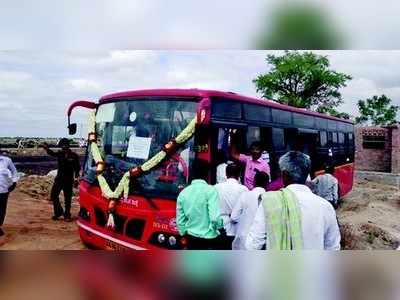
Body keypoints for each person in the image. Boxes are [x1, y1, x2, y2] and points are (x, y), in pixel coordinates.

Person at [246, 151, 341, 250]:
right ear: (306, 174)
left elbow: (252, 245)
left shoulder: (269, 202)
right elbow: (333, 247)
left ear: (284, 174)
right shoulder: (325, 207)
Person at [176, 160, 223, 250]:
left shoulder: (183, 193)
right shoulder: (211, 191)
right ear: (207, 174)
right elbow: (214, 219)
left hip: (191, 238)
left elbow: (180, 222)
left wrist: (184, 234)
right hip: (208, 239)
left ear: (192, 174)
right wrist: (219, 226)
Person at [42, 138, 80, 222]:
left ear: (68, 146)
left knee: (68, 198)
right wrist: (47, 148)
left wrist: (76, 179)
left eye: (65, 145)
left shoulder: (74, 156)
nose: (63, 147)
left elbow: (77, 168)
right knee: (53, 196)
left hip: (69, 180)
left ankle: (67, 215)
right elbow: (52, 153)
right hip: (59, 179)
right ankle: (58, 212)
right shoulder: (60, 154)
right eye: (62, 145)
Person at [231, 171, 269, 250]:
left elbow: (234, 217)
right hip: (260, 243)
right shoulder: (269, 199)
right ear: (267, 184)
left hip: (242, 241)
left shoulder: (245, 195)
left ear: (254, 182)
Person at [215, 163, 248, 249]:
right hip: (238, 228)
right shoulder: (244, 189)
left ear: (226, 174)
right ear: (239, 174)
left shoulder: (216, 187)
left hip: (221, 227)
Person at [0, 152, 18, 236]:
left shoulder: (7, 160)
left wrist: (14, 182)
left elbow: (14, 171)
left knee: (2, 210)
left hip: (4, 190)